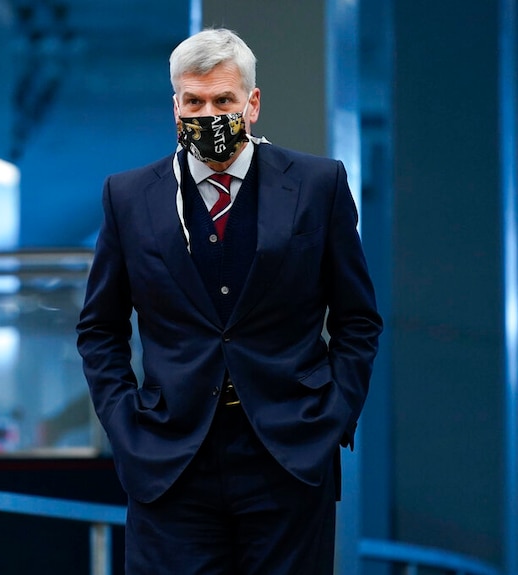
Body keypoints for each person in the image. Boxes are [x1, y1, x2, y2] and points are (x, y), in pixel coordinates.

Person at [76, 28, 382, 575]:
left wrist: (333, 416)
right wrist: (125, 426)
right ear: (175, 106)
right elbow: (100, 328)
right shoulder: (128, 197)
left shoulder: (318, 185)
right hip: (169, 459)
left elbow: (358, 319)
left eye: (223, 100)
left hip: (289, 454)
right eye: (193, 101)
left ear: (252, 103)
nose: (208, 114)